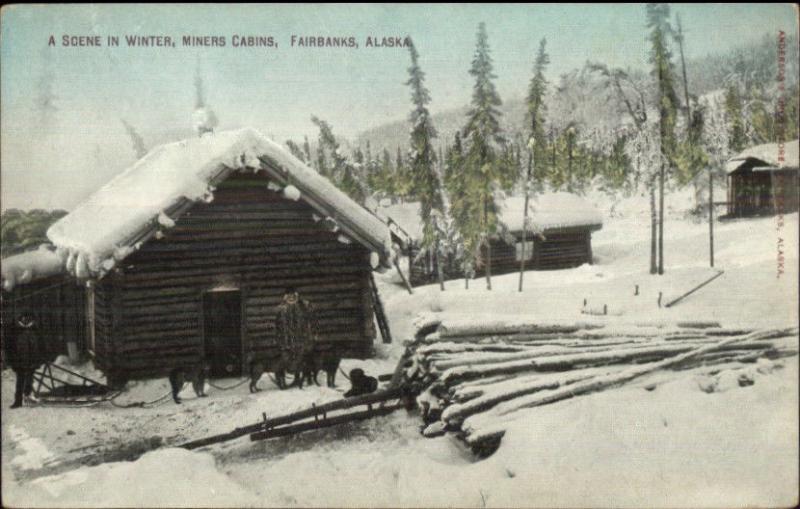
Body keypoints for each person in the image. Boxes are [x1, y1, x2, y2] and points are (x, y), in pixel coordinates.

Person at [274, 287, 318, 389]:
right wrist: (278, 338)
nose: (291, 298)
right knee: (288, 360)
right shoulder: (281, 309)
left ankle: (301, 379)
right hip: (286, 341)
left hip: (302, 339)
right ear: (285, 297)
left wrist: (313, 334)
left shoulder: (304, 306)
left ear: (296, 295)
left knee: (301, 359)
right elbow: (277, 326)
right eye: (288, 296)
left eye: (293, 296)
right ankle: (287, 380)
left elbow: (313, 321)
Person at [5, 314, 43, 408]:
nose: (26, 320)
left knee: (29, 379)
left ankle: (27, 396)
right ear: (20, 320)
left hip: (32, 360)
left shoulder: (34, 329)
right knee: (20, 381)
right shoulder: (16, 331)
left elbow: (41, 345)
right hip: (19, 361)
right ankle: (18, 401)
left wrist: (41, 357)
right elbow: (10, 348)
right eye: (24, 319)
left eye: (28, 318)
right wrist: (11, 360)